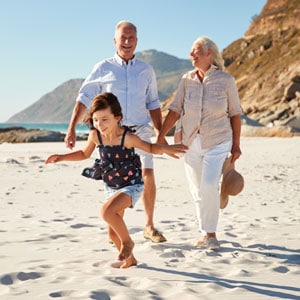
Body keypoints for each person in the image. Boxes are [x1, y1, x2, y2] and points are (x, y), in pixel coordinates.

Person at [46, 93, 187, 268]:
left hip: (131, 185)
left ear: (117, 117)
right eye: (96, 120)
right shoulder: (95, 136)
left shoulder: (126, 137)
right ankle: (131, 260)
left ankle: (128, 243)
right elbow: (84, 154)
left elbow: (150, 147)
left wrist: (166, 148)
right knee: (113, 234)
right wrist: (61, 157)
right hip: (111, 186)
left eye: (105, 119)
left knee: (106, 212)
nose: (100, 124)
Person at [64, 20, 166, 243]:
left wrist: (161, 133)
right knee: (115, 179)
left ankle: (149, 225)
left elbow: (153, 103)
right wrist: (71, 128)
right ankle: (116, 223)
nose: (127, 42)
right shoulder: (103, 68)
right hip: (112, 136)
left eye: (131, 38)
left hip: (139, 131)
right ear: (115, 41)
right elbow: (84, 98)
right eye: (123, 38)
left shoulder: (146, 70)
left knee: (148, 174)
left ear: (137, 41)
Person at [157, 36, 242, 251]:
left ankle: (212, 235)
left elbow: (235, 115)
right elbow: (175, 109)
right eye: (191, 51)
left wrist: (236, 145)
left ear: (208, 54)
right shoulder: (187, 80)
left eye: (196, 51)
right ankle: (205, 232)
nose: (191, 55)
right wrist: (161, 136)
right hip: (190, 141)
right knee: (197, 190)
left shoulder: (226, 80)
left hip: (218, 140)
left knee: (208, 185)